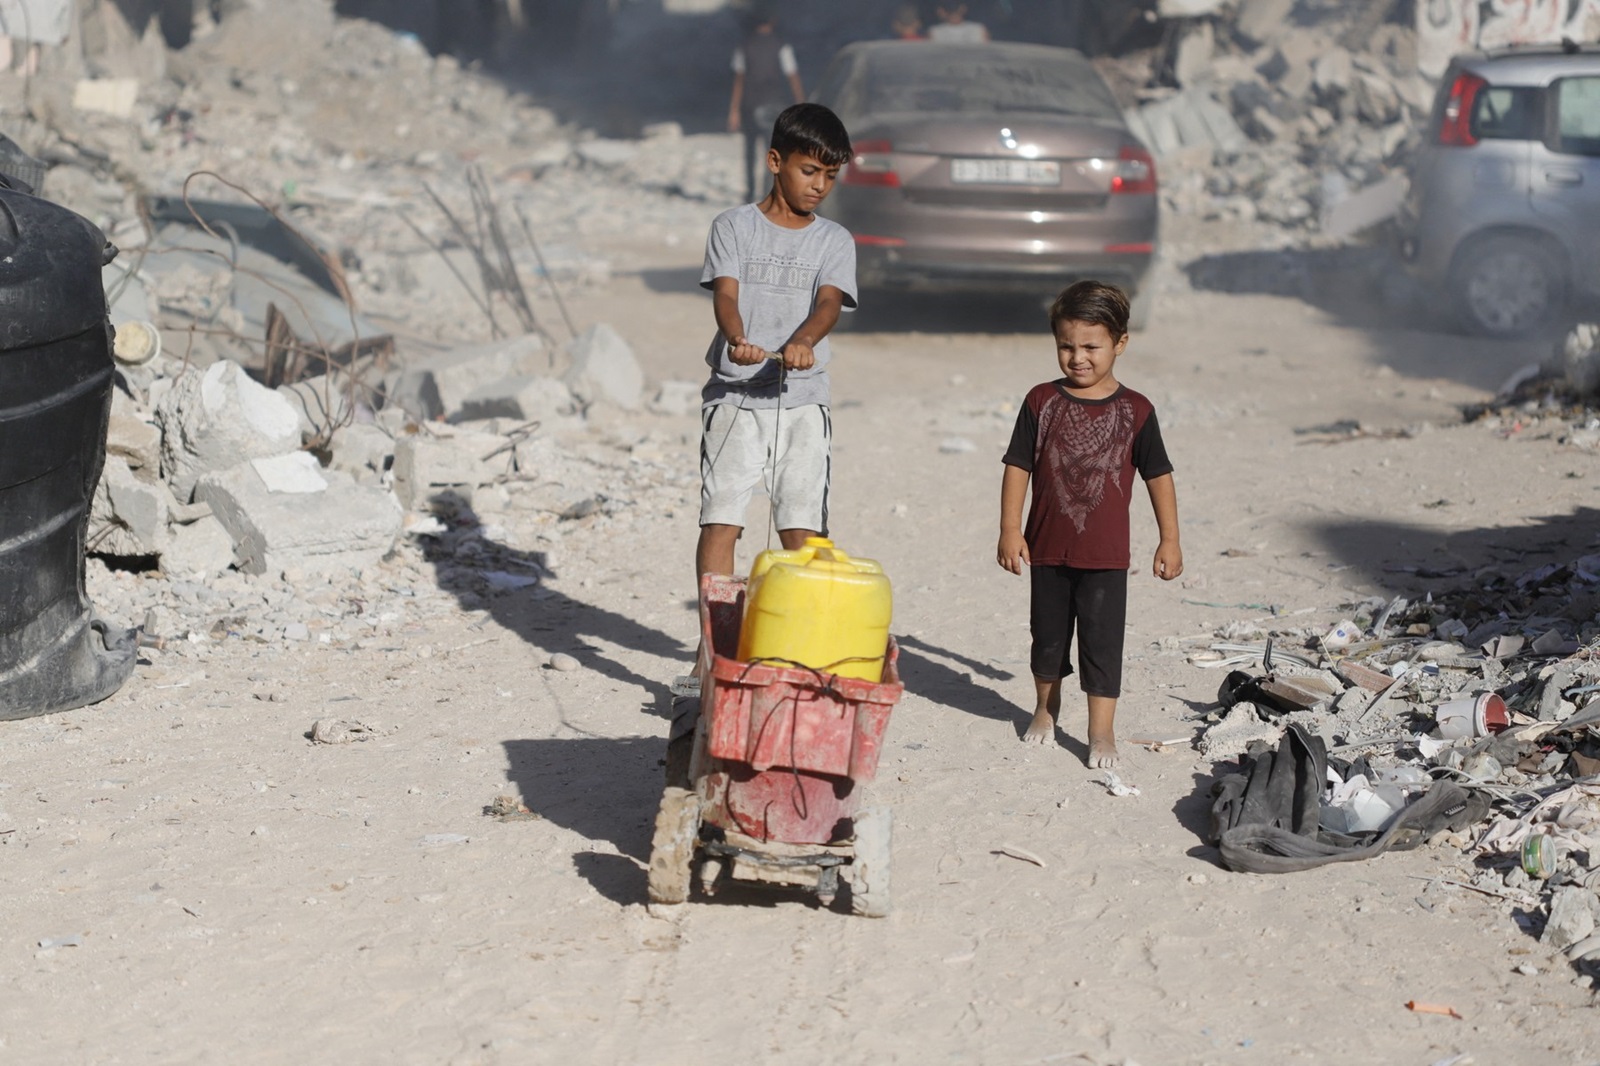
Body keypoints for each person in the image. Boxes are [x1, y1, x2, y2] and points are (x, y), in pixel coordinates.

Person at [996, 281, 1182, 769]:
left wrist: (1170, 539)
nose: (1077, 357)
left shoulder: (1137, 410)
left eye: (1091, 347)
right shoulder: (1041, 401)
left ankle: (1101, 733)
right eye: (1066, 346)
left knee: (1103, 646)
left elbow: (1158, 475)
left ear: (1120, 343)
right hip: (1047, 551)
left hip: (1106, 558)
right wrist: (1009, 529)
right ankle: (1045, 708)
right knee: (1047, 638)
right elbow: (1018, 465)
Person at [696, 103, 858, 588]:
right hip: (735, 395)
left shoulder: (834, 239)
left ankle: (801, 647)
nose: (819, 185)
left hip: (803, 399)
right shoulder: (733, 226)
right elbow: (726, 293)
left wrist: (804, 341)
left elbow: (829, 303)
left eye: (829, 175)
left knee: (801, 526)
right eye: (809, 171)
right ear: (774, 162)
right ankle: (713, 647)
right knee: (721, 517)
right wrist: (737, 339)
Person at [727, 5, 806, 204]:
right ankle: (765, 192)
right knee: (770, 151)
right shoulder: (781, 46)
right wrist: (801, 103)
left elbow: (739, 79)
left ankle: (749, 192)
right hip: (773, 104)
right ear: (773, 22)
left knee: (750, 150)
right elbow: (792, 76)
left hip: (749, 105)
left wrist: (734, 110)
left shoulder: (744, 46)